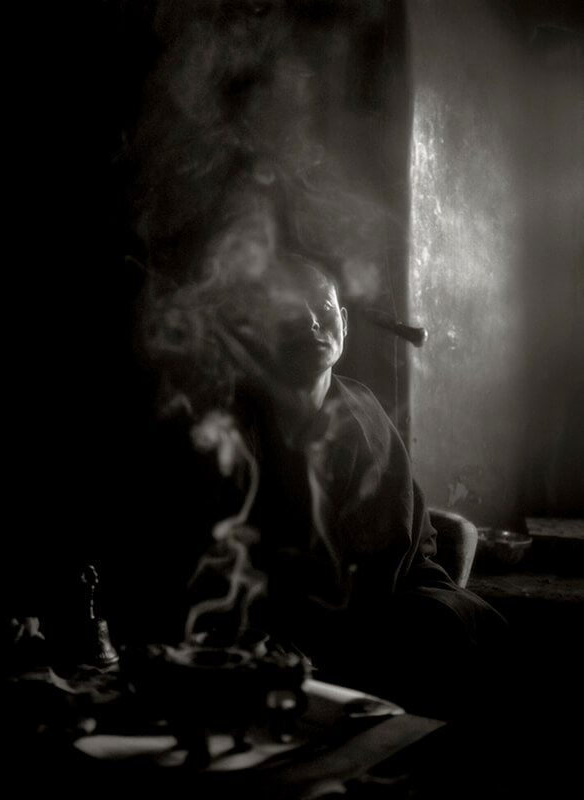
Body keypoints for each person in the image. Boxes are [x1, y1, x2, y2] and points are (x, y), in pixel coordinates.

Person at [171, 260, 510, 723]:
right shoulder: (231, 424)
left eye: (324, 307)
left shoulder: (365, 410)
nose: (311, 322)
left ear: (344, 323)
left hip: (384, 597)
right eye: (289, 314)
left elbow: (398, 542)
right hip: (272, 612)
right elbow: (213, 552)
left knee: (454, 627)